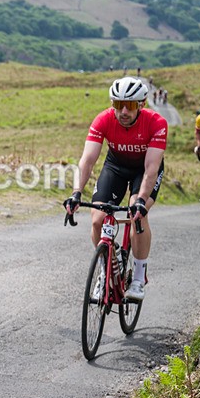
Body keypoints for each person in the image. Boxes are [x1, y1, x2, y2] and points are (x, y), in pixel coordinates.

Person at [64, 77, 168, 302]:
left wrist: (141, 198)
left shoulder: (156, 122)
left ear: (141, 105)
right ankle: (106, 268)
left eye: (129, 105)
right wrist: (76, 193)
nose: (123, 111)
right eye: (117, 104)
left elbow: (152, 167)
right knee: (97, 219)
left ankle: (139, 278)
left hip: (145, 169)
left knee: (136, 213)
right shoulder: (103, 119)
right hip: (116, 167)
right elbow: (88, 160)